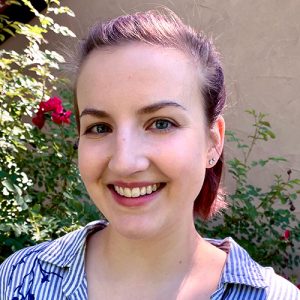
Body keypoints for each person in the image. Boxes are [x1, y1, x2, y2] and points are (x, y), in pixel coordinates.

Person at [0, 9, 299, 300]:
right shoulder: (17, 280)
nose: (125, 162)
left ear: (213, 142)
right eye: (100, 127)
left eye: (161, 123)